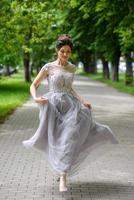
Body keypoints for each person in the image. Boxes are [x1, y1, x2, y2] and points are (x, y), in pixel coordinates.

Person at [23, 35, 118, 192]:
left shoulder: (72, 68)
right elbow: (34, 85)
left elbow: (70, 88)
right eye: (62, 51)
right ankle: (62, 172)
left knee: (69, 139)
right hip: (53, 107)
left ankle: (63, 177)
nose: (65, 54)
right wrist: (35, 98)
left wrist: (82, 101)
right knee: (60, 140)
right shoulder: (48, 67)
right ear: (57, 51)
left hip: (71, 107)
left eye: (68, 52)